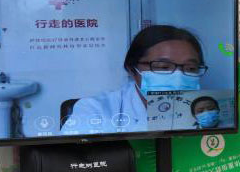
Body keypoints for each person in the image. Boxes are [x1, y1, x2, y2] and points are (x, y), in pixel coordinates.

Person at [65, 25, 208, 133]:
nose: (178, 77)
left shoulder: (208, 110)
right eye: (163, 67)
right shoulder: (94, 111)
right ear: (132, 69)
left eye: (190, 68)